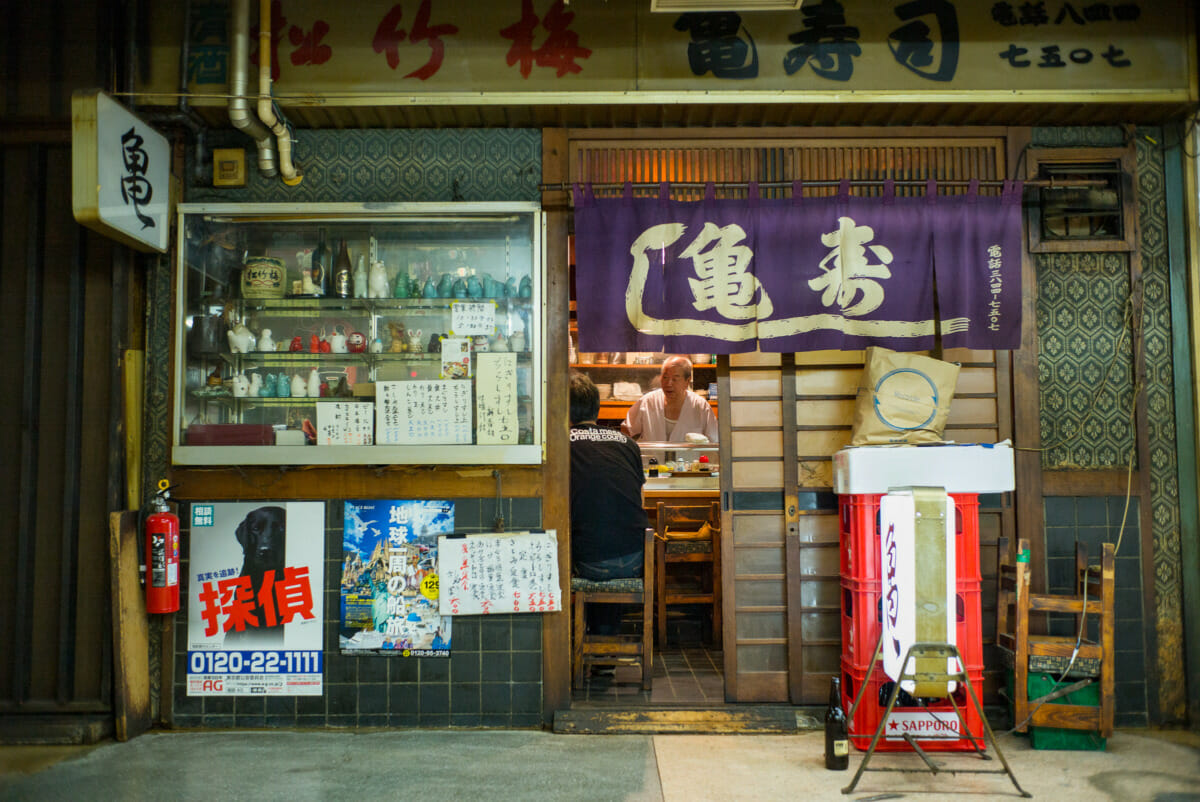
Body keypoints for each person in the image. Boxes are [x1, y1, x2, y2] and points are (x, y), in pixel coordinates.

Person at [569, 372, 649, 584]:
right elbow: (641, 500)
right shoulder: (628, 443)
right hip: (637, 559)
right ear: (598, 407)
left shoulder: (564, 443)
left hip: (590, 563)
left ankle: (582, 617)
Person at [621, 355, 718, 443]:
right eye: (665, 377)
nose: (668, 383)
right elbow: (626, 431)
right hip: (651, 461)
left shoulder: (700, 406)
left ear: (687, 381)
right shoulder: (647, 401)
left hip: (689, 462)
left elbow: (714, 439)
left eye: (675, 379)